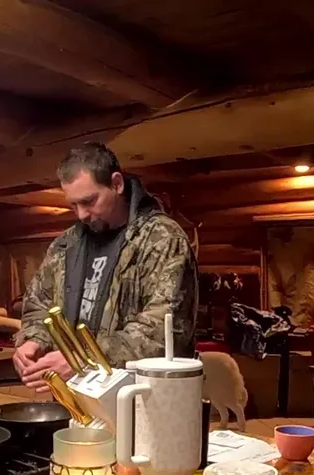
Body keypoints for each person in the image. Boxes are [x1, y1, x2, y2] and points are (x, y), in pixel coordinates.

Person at [14, 143, 198, 390]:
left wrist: (81, 359)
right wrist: (34, 340)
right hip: (77, 395)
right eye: (74, 205)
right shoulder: (66, 245)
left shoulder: (162, 239)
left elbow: (163, 332)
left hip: (144, 397)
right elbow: (38, 305)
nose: (81, 214)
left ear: (116, 184)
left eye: (89, 201)